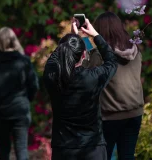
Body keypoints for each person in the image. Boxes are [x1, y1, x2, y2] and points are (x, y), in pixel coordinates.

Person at [43, 16, 118, 160]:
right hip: (93, 148)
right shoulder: (93, 77)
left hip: (64, 149)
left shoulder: (52, 77)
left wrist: (70, 40)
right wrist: (95, 35)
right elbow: (112, 61)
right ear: (84, 55)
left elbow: (54, 59)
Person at [87, 12, 144, 160]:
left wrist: (84, 37)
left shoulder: (99, 55)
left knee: (103, 156)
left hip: (110, 115)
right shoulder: (136, 51)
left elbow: (85, 66)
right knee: (127, 156)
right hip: (135, 112)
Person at [0, 27, 39, 160]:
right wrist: (26, 100)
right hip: (20, 109)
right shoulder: (24, 61)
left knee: (4, 150)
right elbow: (34, 85)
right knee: (21, 149)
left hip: (0, 111)